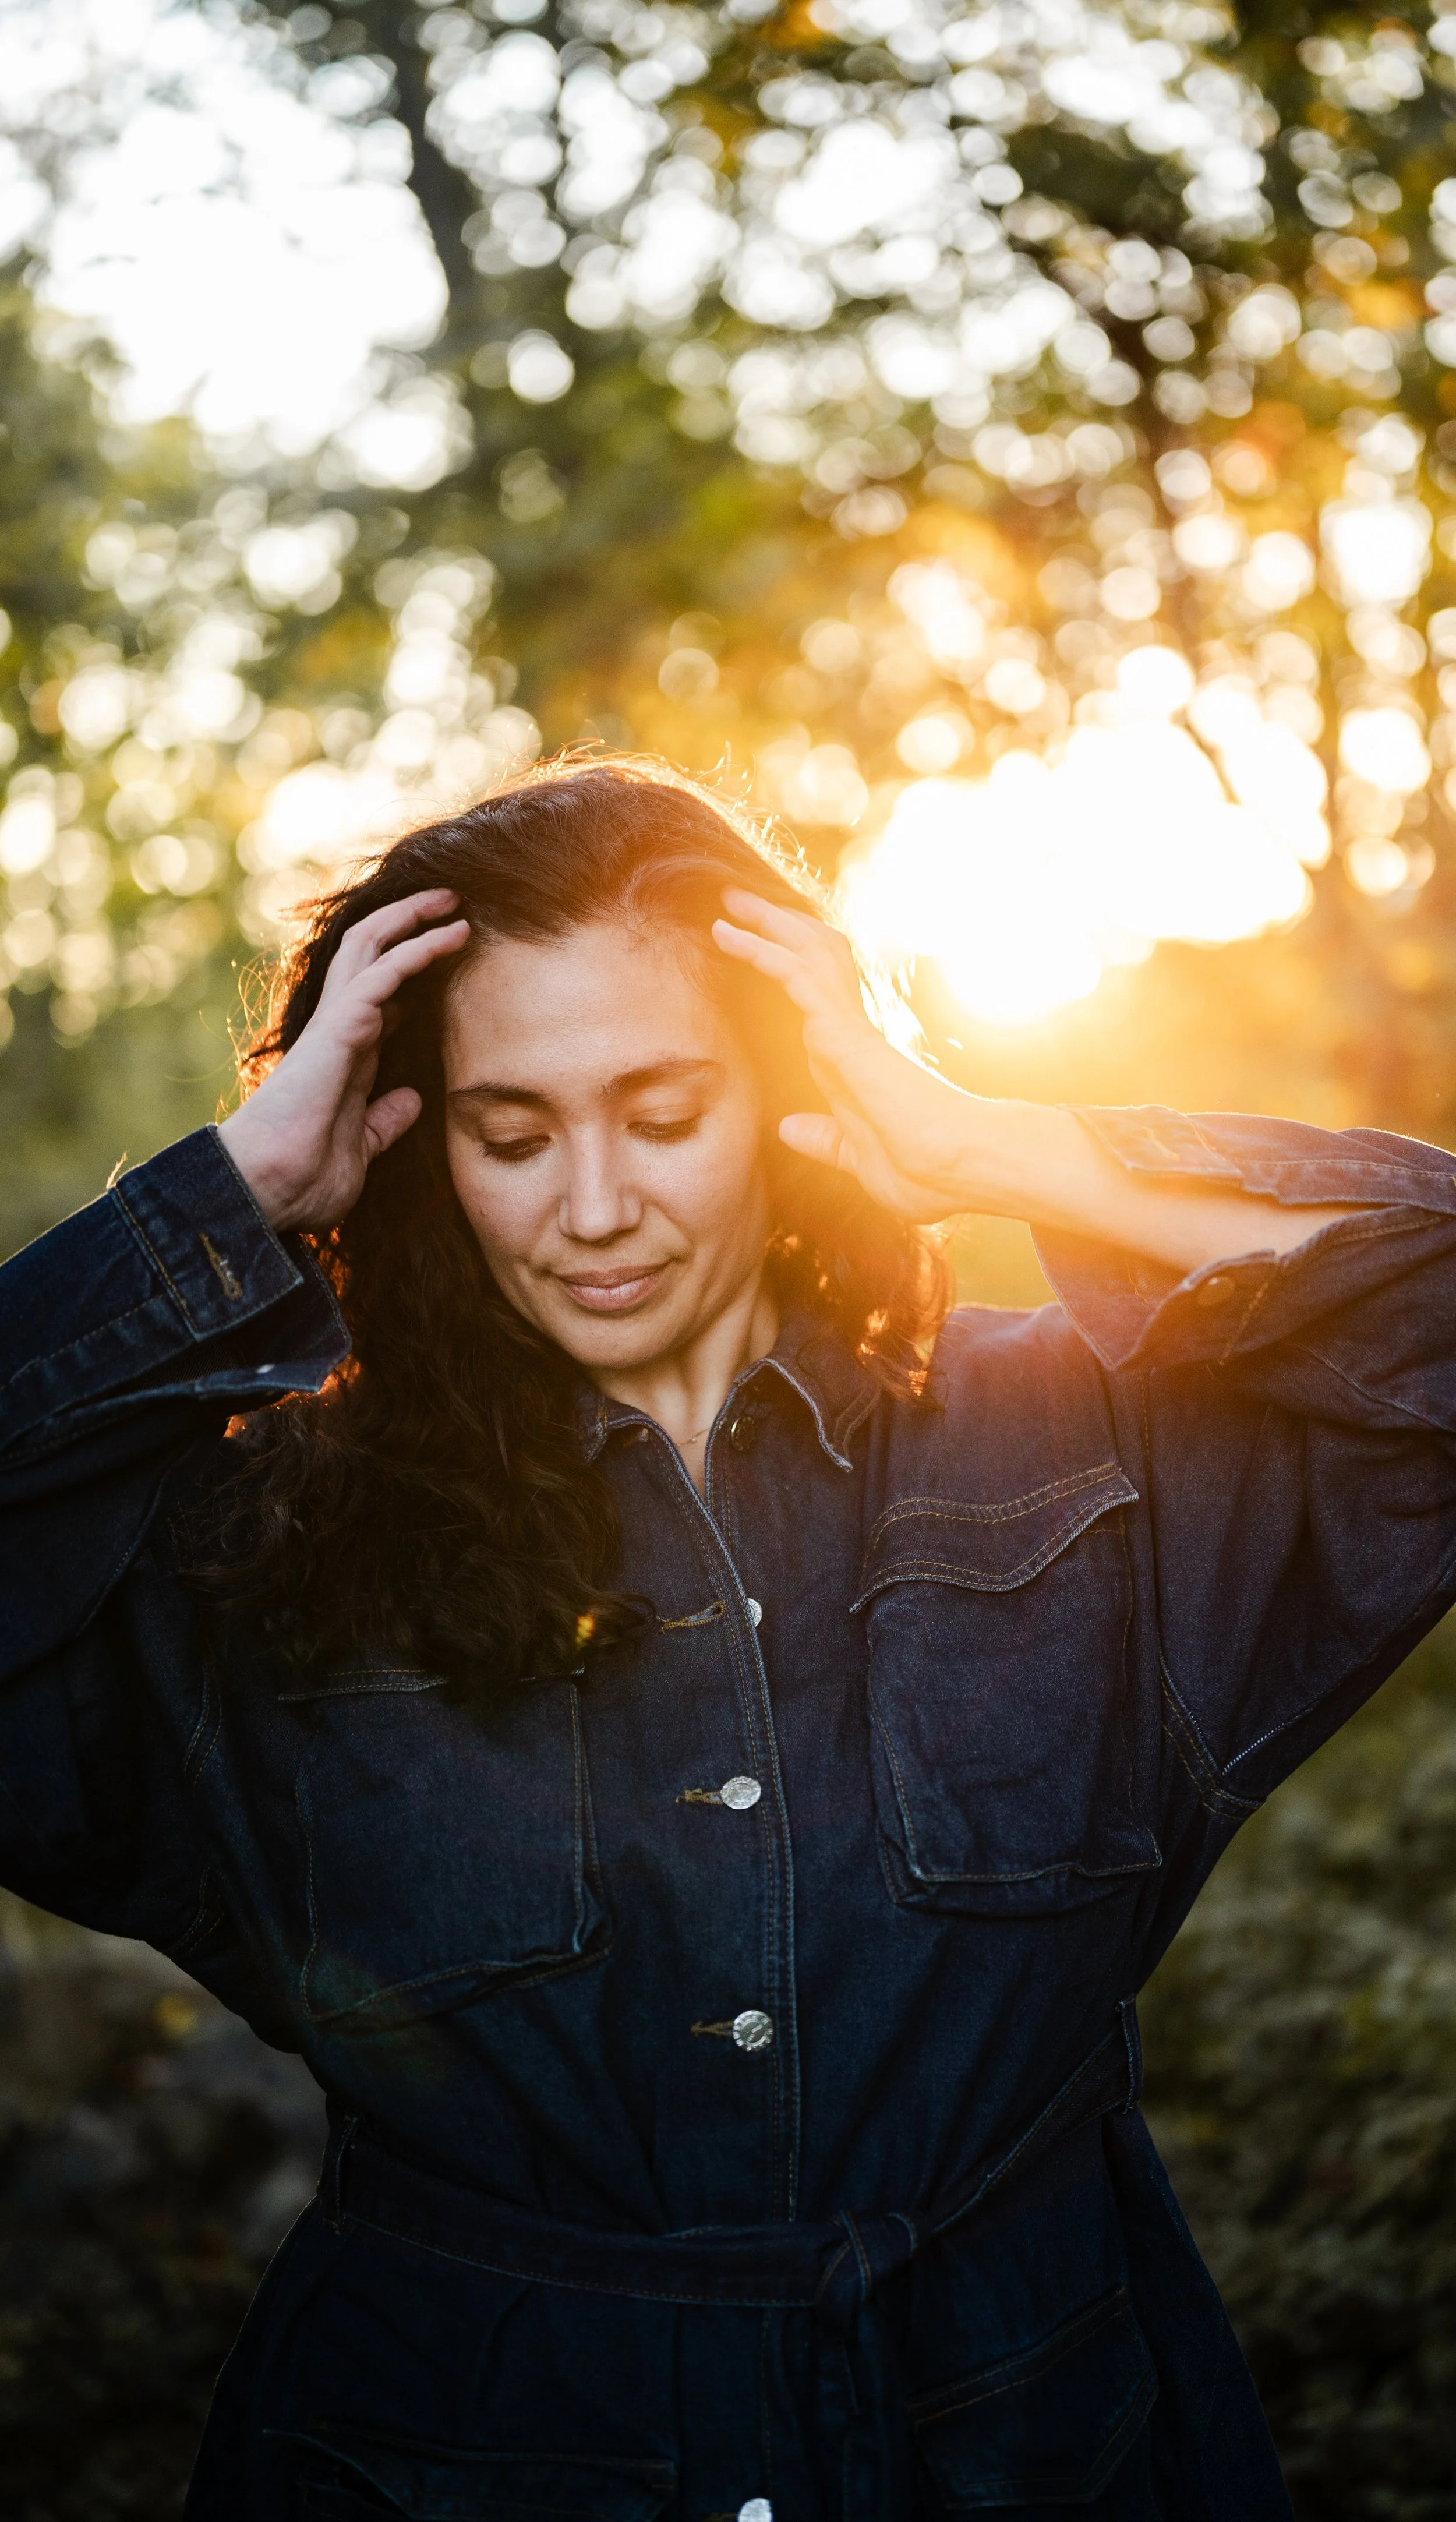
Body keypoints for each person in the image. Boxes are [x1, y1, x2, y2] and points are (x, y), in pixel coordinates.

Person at [3, 755, 1454, 2522]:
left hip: (1033, 2448)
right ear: (416, 1143)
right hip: (458, 2461)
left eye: (666, 1111)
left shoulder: (1086, 1453)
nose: (592, 1207)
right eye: (513, 1134)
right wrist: (223, 1202)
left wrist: (983, 1145)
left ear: (782, 1097)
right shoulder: (271, 1540)